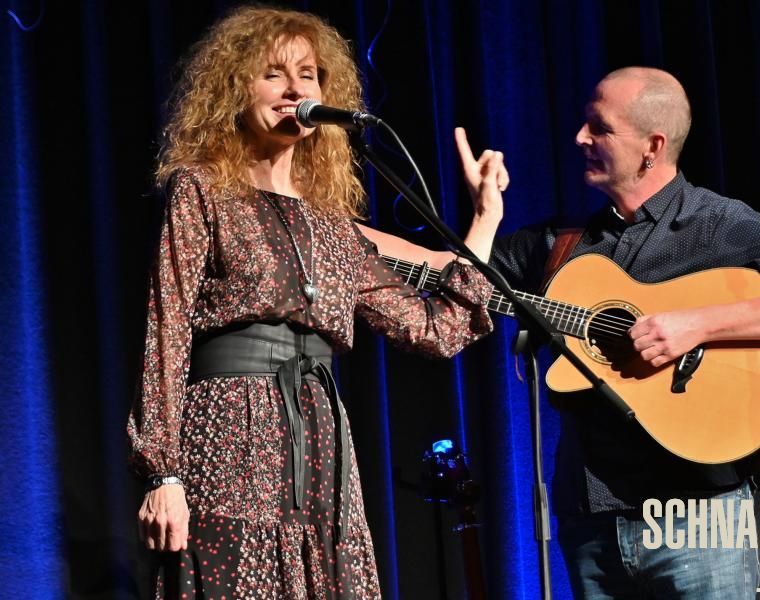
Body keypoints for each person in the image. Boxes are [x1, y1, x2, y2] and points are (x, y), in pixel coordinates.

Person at [368, 67, 760, 598]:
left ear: (653, 146)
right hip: (592, 525)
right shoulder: (560, 245)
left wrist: (695, 325)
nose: (580, 138)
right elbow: (446, 272)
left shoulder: (716, 223)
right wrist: (327, 228)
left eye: (599, 128)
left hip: (699, 517)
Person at [126, 6, 506, 598]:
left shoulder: (330, 223)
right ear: (236, 87)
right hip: (229, 433)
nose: (295, 89)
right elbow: (166, 331)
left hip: (322, 439)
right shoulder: (201, 189)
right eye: (274, 73)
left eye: (308, 74)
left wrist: (484, 220)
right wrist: (163, 472)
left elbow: (433, 330)